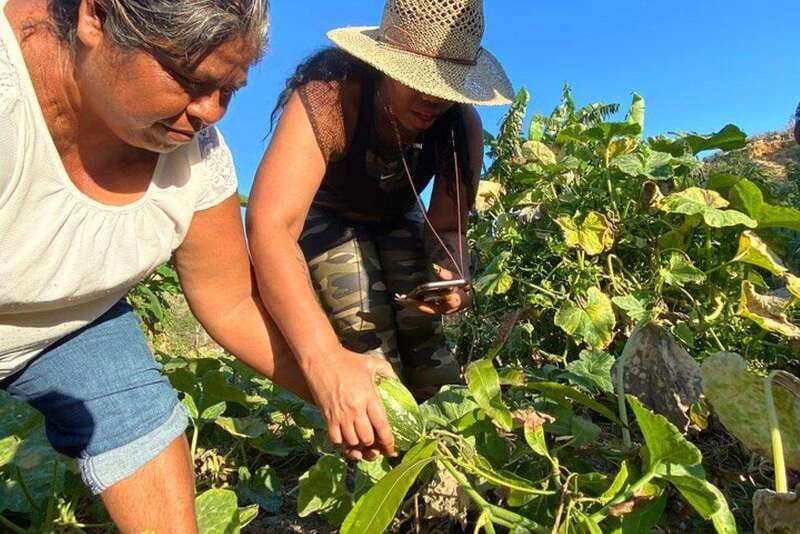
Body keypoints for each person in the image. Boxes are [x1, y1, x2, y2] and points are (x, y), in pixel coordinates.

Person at [0, 1, 385, 532]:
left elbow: (228, 299)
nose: (211, 112)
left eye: (229, 90)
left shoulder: (197, 156)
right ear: (96, 18)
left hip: (73, 323)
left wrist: (336, 377)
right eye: (190, 79)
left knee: (139, 417)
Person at [247, 0, 512, 461]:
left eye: (446, 86)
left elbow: (448, 228)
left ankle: (452, 463)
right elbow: (271, 225)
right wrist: (324, 359)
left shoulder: (458, 127)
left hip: (396, 215)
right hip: (324, 219)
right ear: (385, 66)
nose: (435, 98)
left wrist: (451, 274)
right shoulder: (329, 99)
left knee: (425, 337)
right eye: (419, 80)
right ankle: (386, 468)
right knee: (364, 335)